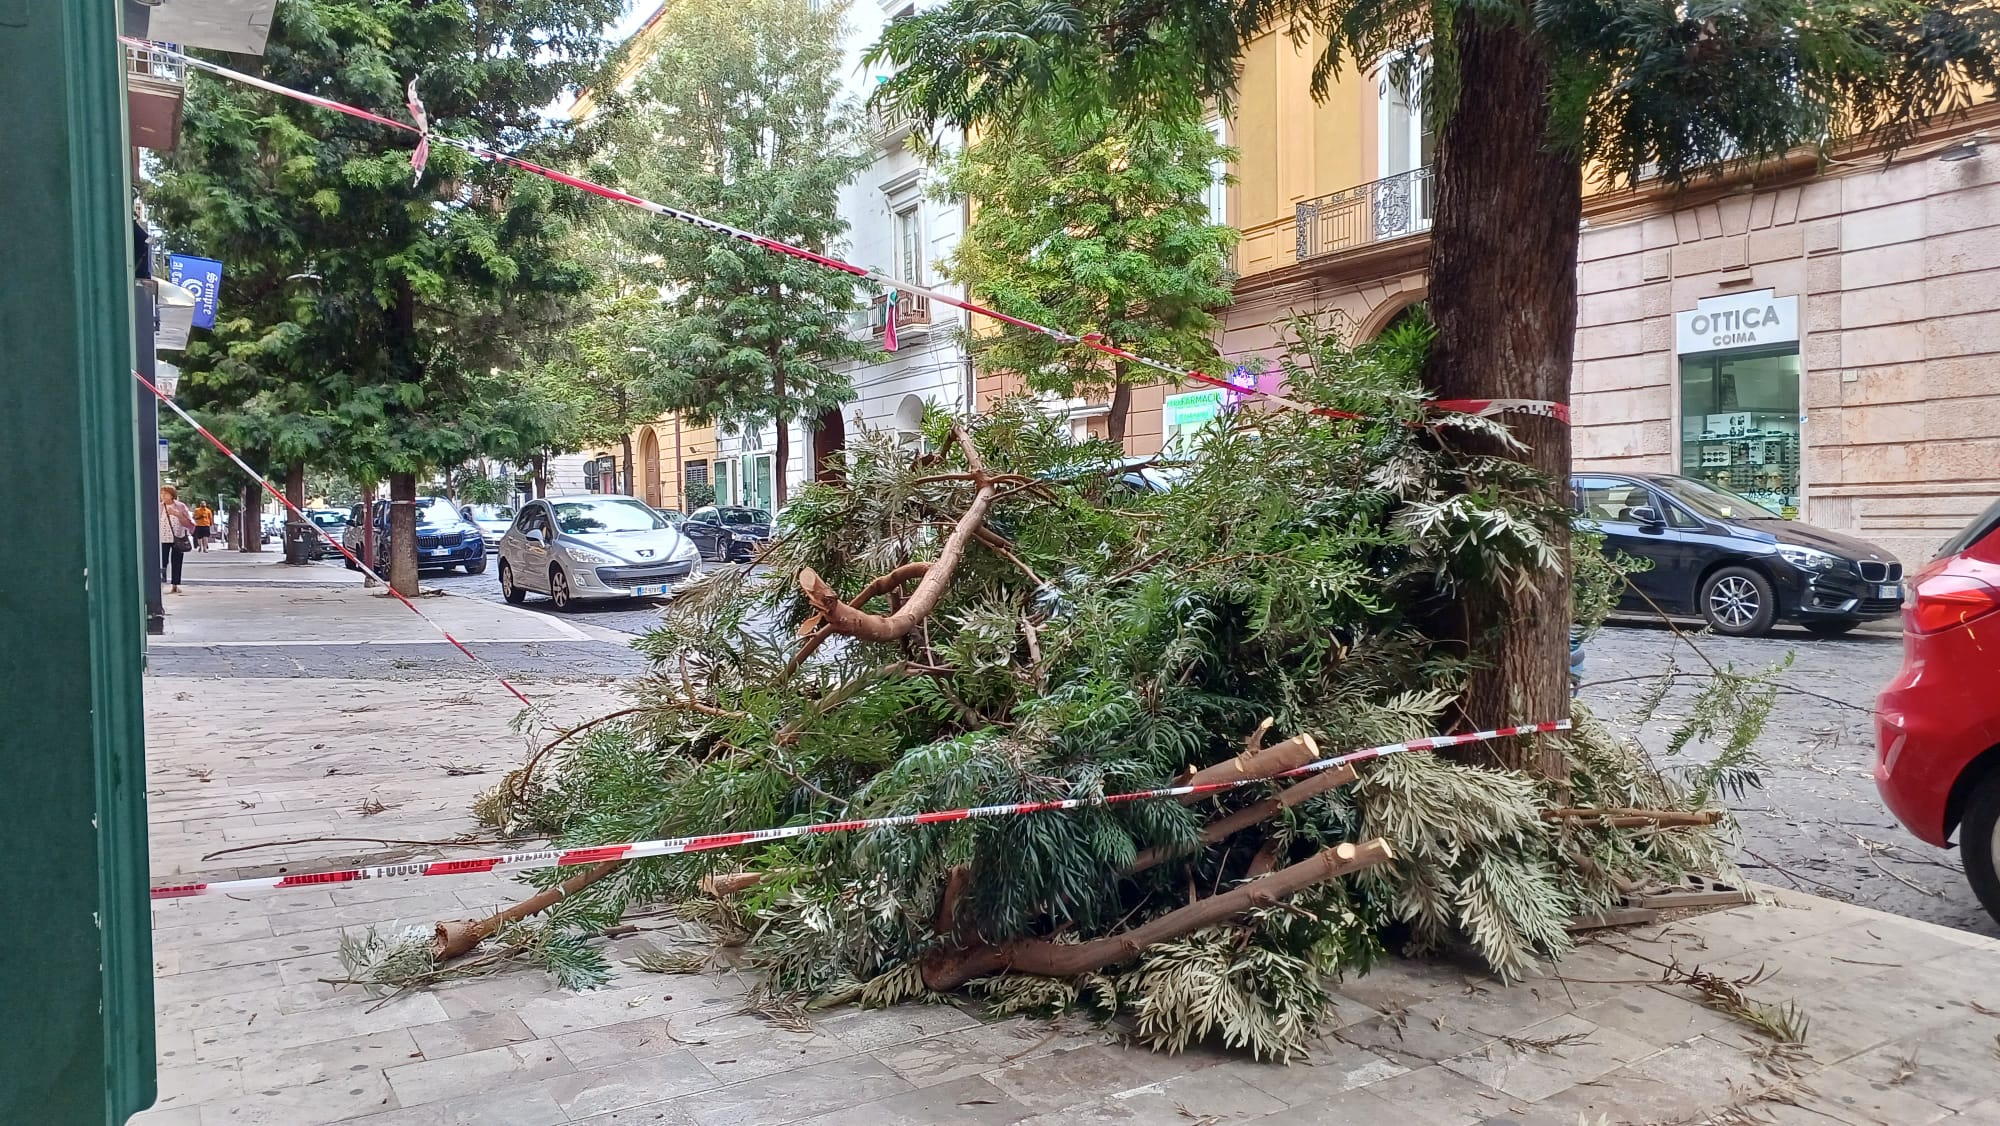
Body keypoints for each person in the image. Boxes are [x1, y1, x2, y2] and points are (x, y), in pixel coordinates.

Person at [159, 485, 194, 595]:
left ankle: (175, 585)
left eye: (165, 493)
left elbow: (189, 523)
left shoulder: (180, 506)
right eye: (162, 493)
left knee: (177, 562)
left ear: (172, 495)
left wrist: (177, 514)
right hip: (163, 538)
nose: (163, 496)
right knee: (162, 562)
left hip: (177, 538)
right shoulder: (159, 506)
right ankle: (161, 583)